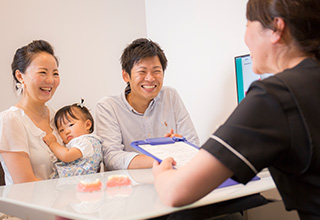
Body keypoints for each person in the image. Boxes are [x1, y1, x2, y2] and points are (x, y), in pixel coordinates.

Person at [152, 0, 320, 219]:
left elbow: (175, 191)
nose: (245, 37)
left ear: (276, 28)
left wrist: (161, 172)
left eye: (247, 25)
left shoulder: (275, 95)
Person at [96, 38, 199, 170]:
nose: (150, 78)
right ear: (126, 76)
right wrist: (166, 157)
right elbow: (112, 158)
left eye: (156, 71)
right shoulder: (108, 106)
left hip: (171, 179)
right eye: (142, 72)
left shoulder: (170, 96)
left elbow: (193, 144)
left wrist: (181, 146)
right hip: (129, 187)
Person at [0, 40, 61, 185]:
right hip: (30, 205)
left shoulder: (57, 117)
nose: (50, 80)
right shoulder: (10, 120)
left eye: (55, 73)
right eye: (43, 73)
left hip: (66, 204)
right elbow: (25, 184)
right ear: (20, 76)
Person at [43, 100, 103, 178]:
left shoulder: (85, 141)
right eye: (61, 130)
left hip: (78, 183)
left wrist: (52, 143)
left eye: (71, 125)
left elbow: (66, 156)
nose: (66, 131)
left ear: (87, 125)